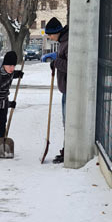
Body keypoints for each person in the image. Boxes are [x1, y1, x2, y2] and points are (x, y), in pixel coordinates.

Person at [45, 17, 68, 164]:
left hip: (70, 89)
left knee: (68, 122)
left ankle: (68, 151)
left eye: (50, 34)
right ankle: (67, 150)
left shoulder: (68, 43)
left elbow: (71, 65)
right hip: (66, 89)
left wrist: (56, 62)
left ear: (56, 32)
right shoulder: (63, 42)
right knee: (66, 122)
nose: (49, 37)